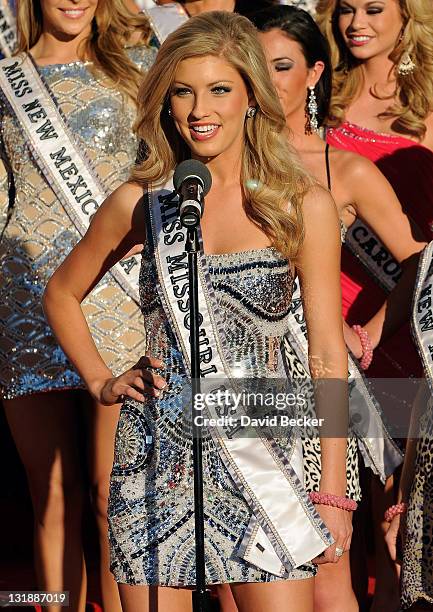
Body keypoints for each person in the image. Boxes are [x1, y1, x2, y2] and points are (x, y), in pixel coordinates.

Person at [44, 11, 353, 612]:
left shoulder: (301, 206)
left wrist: (331, 491)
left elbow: (326, 356)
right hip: (158, 454)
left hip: (263, 447)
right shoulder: (143, 202)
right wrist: (102, 381)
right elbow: (61, 292)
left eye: (218, 90)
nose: (198, 109)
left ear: (251, 99)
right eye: (182, 91)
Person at [253, 5, 425, 611]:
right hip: (232, 383)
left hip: (322, 380)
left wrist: (374, 328)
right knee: (235, 574)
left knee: (333, 565)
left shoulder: (342, 166)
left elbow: (418, 258)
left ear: (312, 72)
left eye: (280, 65)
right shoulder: (216, 164)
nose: (265, 78)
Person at [0, 1, 156, 610]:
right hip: (24, 296)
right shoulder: (6, 77)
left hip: (117, 290)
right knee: (52, 491)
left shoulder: (141, 67)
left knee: (111, 491)